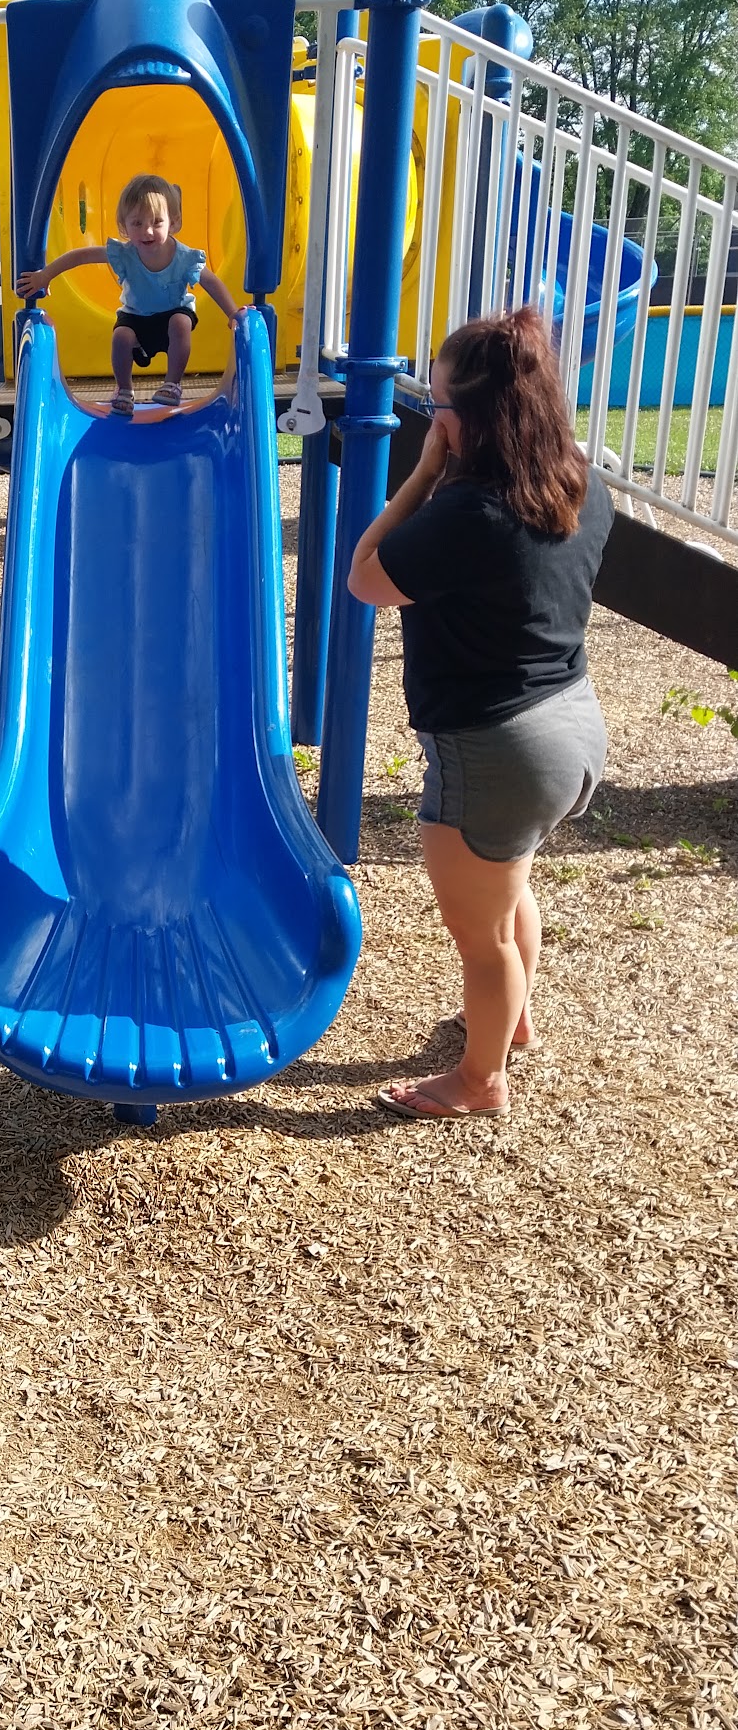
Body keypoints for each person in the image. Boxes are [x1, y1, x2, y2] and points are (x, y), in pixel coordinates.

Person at [347, 305, 615, 1120]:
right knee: (509, 885)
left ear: (472, 419)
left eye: (437, 407)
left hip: (499, 751)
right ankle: (511, 1023)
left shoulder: (469, 513)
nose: (432, 419)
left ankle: (480, 1080)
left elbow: (365, 576)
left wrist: (423, 473)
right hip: (571, 724)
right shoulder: (579, 479)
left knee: (483, 936)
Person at [14, 173, 240, 414]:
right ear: (124, 226)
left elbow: (211, 282)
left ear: (173, 223)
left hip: (173, 312)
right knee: (121, 336)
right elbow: (81, 256)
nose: (147, 231)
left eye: (157, 222)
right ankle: (124, 390)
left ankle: (172, 384)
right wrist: (45, 275)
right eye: (137, 223)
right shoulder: (124, 254)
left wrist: (233, 314)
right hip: (135, 316)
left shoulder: (185, 258)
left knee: (181, 322)